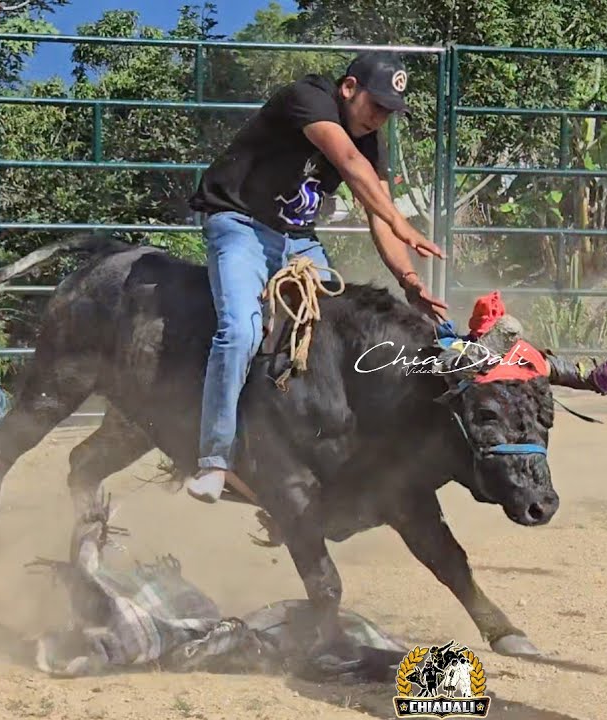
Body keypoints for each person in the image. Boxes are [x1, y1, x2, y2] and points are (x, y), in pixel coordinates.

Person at [183, 51, 447, 505]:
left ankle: (305, 454)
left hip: (297, 240)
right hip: (240, 224)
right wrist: (401, 220)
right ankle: (215, 460)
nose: (380, 118)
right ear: (349, 88)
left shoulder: (369, 139)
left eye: (389, 111)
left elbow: (378, 213)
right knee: (241, 331)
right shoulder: (308, 98)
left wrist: (408, 278)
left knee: (333, 334)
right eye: (376, 105)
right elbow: (346, 161)